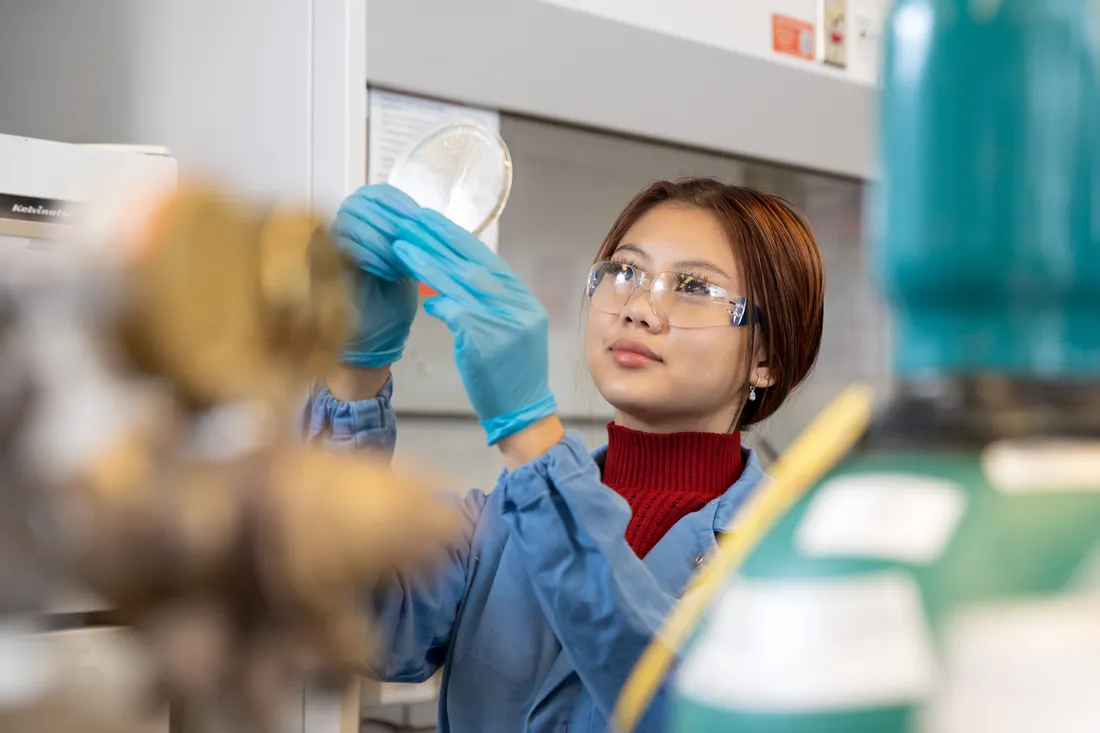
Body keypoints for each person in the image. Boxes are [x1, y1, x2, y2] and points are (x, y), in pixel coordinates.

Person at [303, 177, 825, 732]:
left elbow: (676, 707)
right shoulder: (501, 519)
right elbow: (349, 614)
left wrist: (529, 433)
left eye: (694, 286)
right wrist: (355, 371)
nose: (640, 307)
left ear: (766, 356)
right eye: (625, 272)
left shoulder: (795, 556)